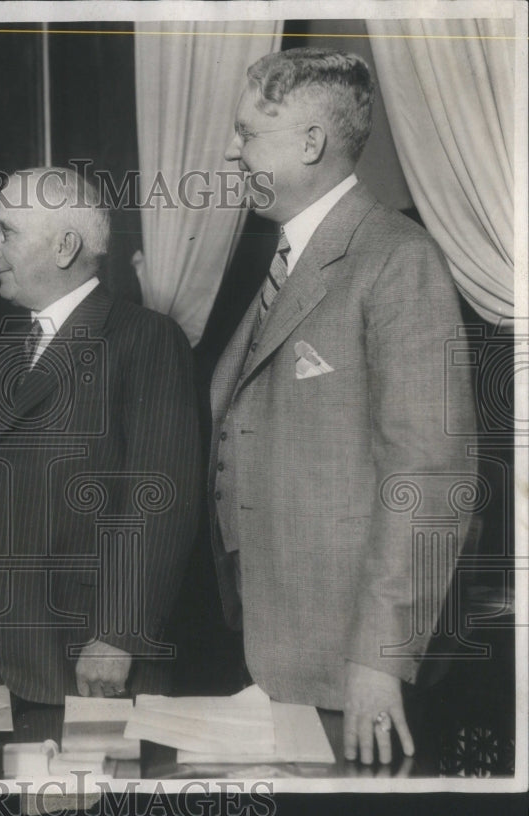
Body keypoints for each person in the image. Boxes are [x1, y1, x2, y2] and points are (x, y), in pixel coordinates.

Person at [208, 48, 476, 764]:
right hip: (272, 651)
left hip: (349, 672)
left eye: (246, 133)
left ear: (310, 144)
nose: (230, 151)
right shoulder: (270, 261)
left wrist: (381, 659)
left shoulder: (395, 258)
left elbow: (428, 476)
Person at [0, 167, 201, 705]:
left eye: (4, 231)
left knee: (90, 794)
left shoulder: (146, 338)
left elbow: (160, 499)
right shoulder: (6, 349)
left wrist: (120, 635)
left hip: (84, 661)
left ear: (64, 246)